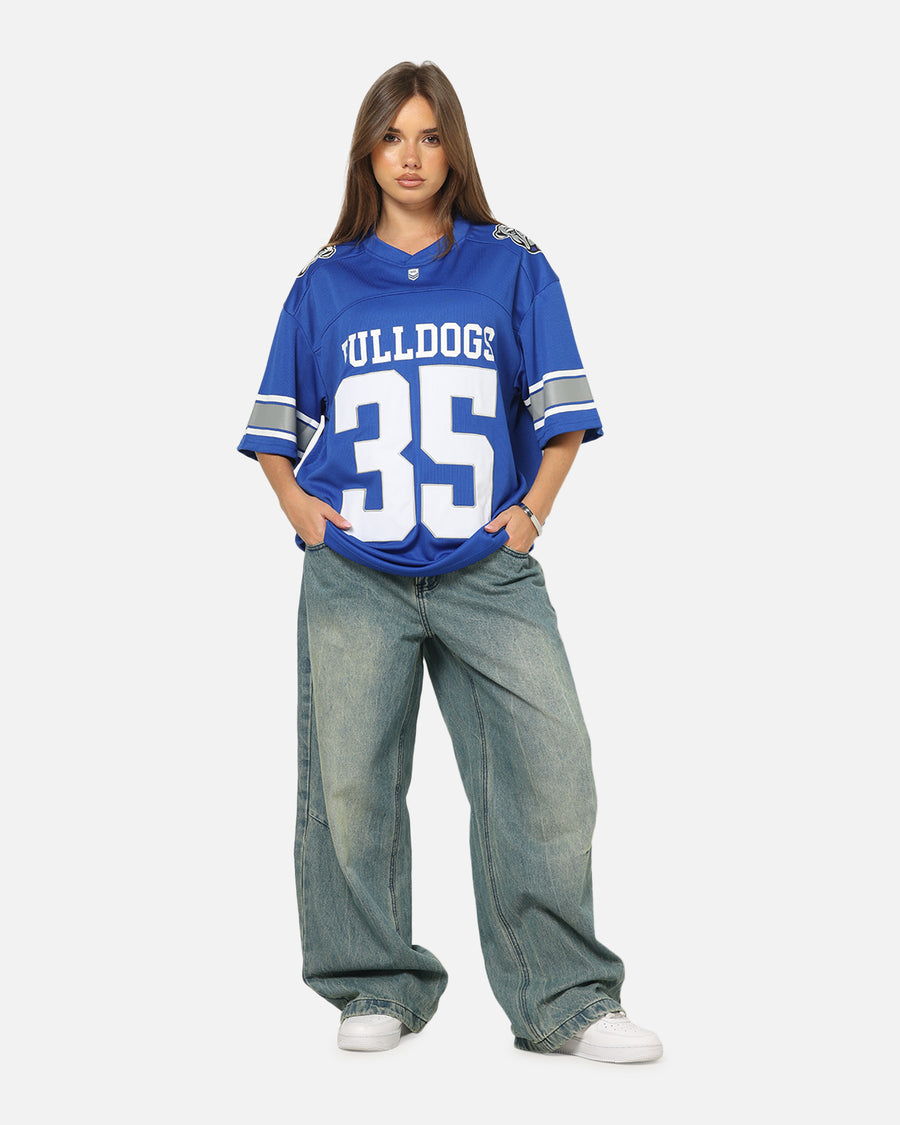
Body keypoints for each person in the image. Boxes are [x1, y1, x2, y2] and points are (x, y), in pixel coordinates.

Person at [238, 60, 662, 1063]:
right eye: (393, 137)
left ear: (453, 147)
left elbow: (561, 415)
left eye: (429, 136)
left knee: (551, 769)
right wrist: (301, 512)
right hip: (356, 573)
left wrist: (532, 514)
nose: (411, 156)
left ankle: (565, 998)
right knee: (349, 787)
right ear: (367, 152)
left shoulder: (512, 265)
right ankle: (372, 979)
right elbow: (274, 430)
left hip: (486, 570)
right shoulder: (324, 281)